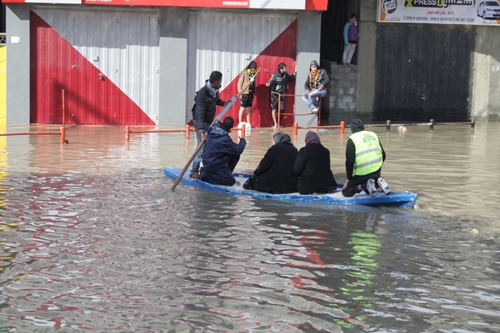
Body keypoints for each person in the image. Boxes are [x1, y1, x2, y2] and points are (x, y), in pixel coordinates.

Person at [189, 71, 227, 179]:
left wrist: (224, 103)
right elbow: (199, 113)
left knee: (208, 146)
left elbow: (215, 101)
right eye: (220, 81)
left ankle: (205, 169)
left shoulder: (214, 91)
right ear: (215, 81)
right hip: (200, 122)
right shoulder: (203, 94)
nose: (221, 83)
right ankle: (194, 171)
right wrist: (201, 130)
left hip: (209, 122)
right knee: (201, 146)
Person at [342, 119, 391, 197]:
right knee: (370, 189)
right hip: (376, 172)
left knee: (345, 191)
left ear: (352, 129)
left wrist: (349, 178)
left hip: (362, 175)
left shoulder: (352, 139)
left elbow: (349, 161)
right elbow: (383, 155)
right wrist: (377, 168)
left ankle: (364, 185)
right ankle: (377, 181)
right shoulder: (373, 135)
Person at [201, 117, 246, 186]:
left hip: (209, 160)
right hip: (213, 164)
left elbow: (234, 149)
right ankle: (207, 175)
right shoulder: (224, 139)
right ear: (231, 127)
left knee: (234, 155)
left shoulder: (213, 129)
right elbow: (238, 150)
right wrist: (242, 141)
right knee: (231, 182)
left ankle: (226, 173)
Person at [266, 63, 298, 128]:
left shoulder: (285, 75)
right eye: (284, 68)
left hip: (282, 94)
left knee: (282, 109)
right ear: (281, 69)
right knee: (274, 109)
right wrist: (268, 83)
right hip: (275, 94)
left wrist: (295, 73)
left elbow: (290, 78)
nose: (286, 69)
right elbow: (270, 81)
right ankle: (275, 124)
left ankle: (278, 123)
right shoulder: (275, 75)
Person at [238, 61, 258, 128]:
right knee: (242, 108)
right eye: (252, 67)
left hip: (251, 92)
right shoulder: (244, 73)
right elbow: (239, 83)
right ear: (250, 66)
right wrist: (240, 93)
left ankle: (249, 124)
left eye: (254, 68)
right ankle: (240, 124)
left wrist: (254, 90)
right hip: (245, 93)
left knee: (249, 108)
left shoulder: (253, 74)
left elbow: (253, 83)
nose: (253, 69)